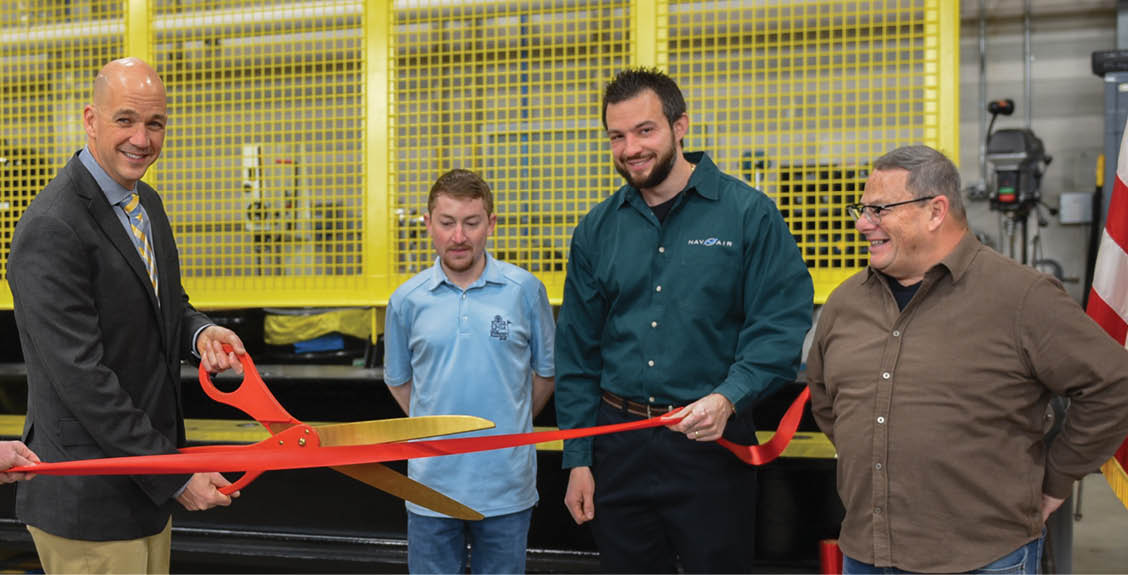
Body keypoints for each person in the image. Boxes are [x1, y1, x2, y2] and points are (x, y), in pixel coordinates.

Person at [807, 144, 1128, 574]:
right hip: (867, 553)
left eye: (879, 210)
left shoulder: (1022, 297)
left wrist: (1057, 477)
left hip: (983, 557)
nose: (863, 223)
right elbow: (828, 401)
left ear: (935, 211)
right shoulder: (846, 303)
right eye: (861, 210)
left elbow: (1114, 385)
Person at [554, 68, 814, 572]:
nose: (630, 148)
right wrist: (579, 459)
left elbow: (779, 326)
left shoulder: (748, 215)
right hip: (618, 446)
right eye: (617, 136)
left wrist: (728, 397)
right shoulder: (596, 230)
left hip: (711, 444)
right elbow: (578, 353)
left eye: (644, 130)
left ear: (680, 126)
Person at [7, 57, 247, 574]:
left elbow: (166, 306)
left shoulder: (146, 204)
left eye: (155, 123)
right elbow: (83, 378)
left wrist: (200, 333)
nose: (142, 139)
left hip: (142, 487)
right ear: (91, 120)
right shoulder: (52, 226)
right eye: (125, 120)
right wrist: (173, 476)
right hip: (90, 499)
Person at [383, 168, 555, 574]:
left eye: (471, 223)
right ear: (428, 224)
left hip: (506, 487)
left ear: (490, 224)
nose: (458, 236)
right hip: (430, 487)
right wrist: (436, 428)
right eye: (447, 223)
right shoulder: (406, 301)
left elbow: (545, 374)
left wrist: (508, 425)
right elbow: (399, 380)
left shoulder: (525, 291)